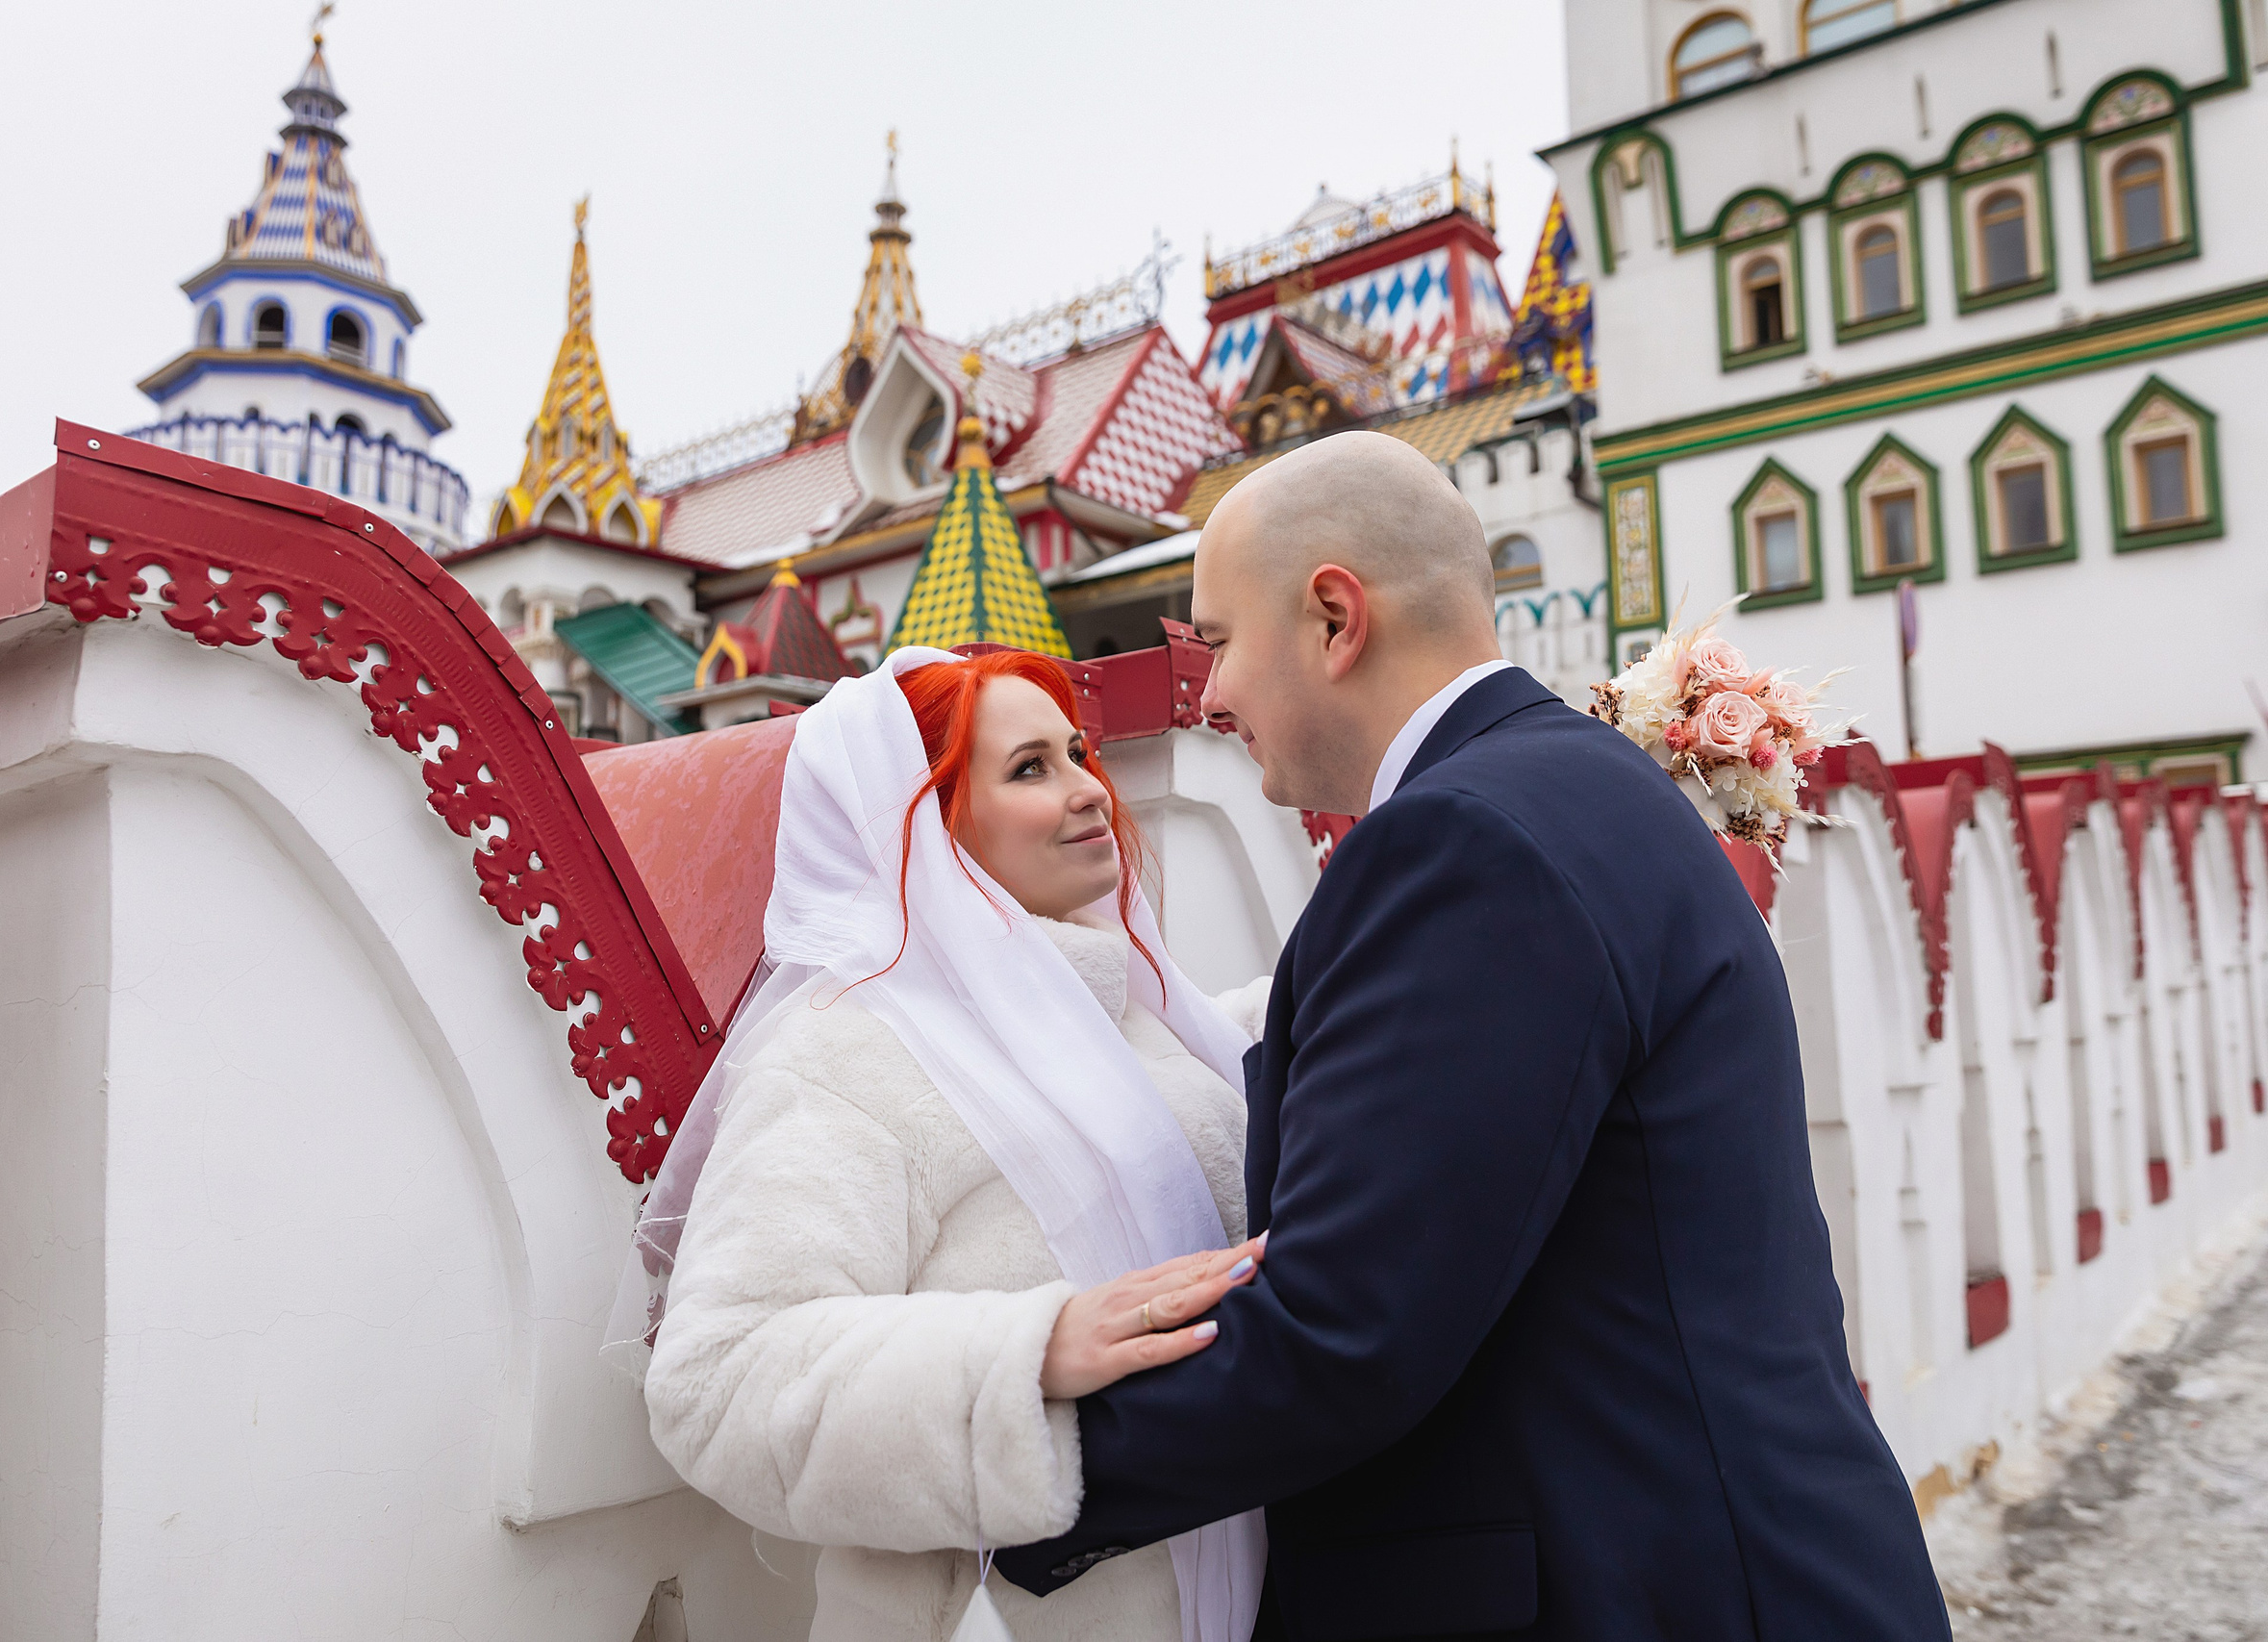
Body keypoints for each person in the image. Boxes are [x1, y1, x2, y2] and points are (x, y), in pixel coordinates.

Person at [995, 433, 1951, 1639]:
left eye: (1220, 640)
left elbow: (1347, 1329)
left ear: (1334, 618)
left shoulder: (1466, 842)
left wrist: (992, 1474)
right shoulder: (1571, 786)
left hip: (1654, 1591)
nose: (1213, 693)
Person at [628, 646, 1271, 1642]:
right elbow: (717, 1381)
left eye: (1078, 753)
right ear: (926, 825)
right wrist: (1026, 1354)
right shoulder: (848, 1054)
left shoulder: (1146, 1026)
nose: (1088, 791)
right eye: (1029, 768)